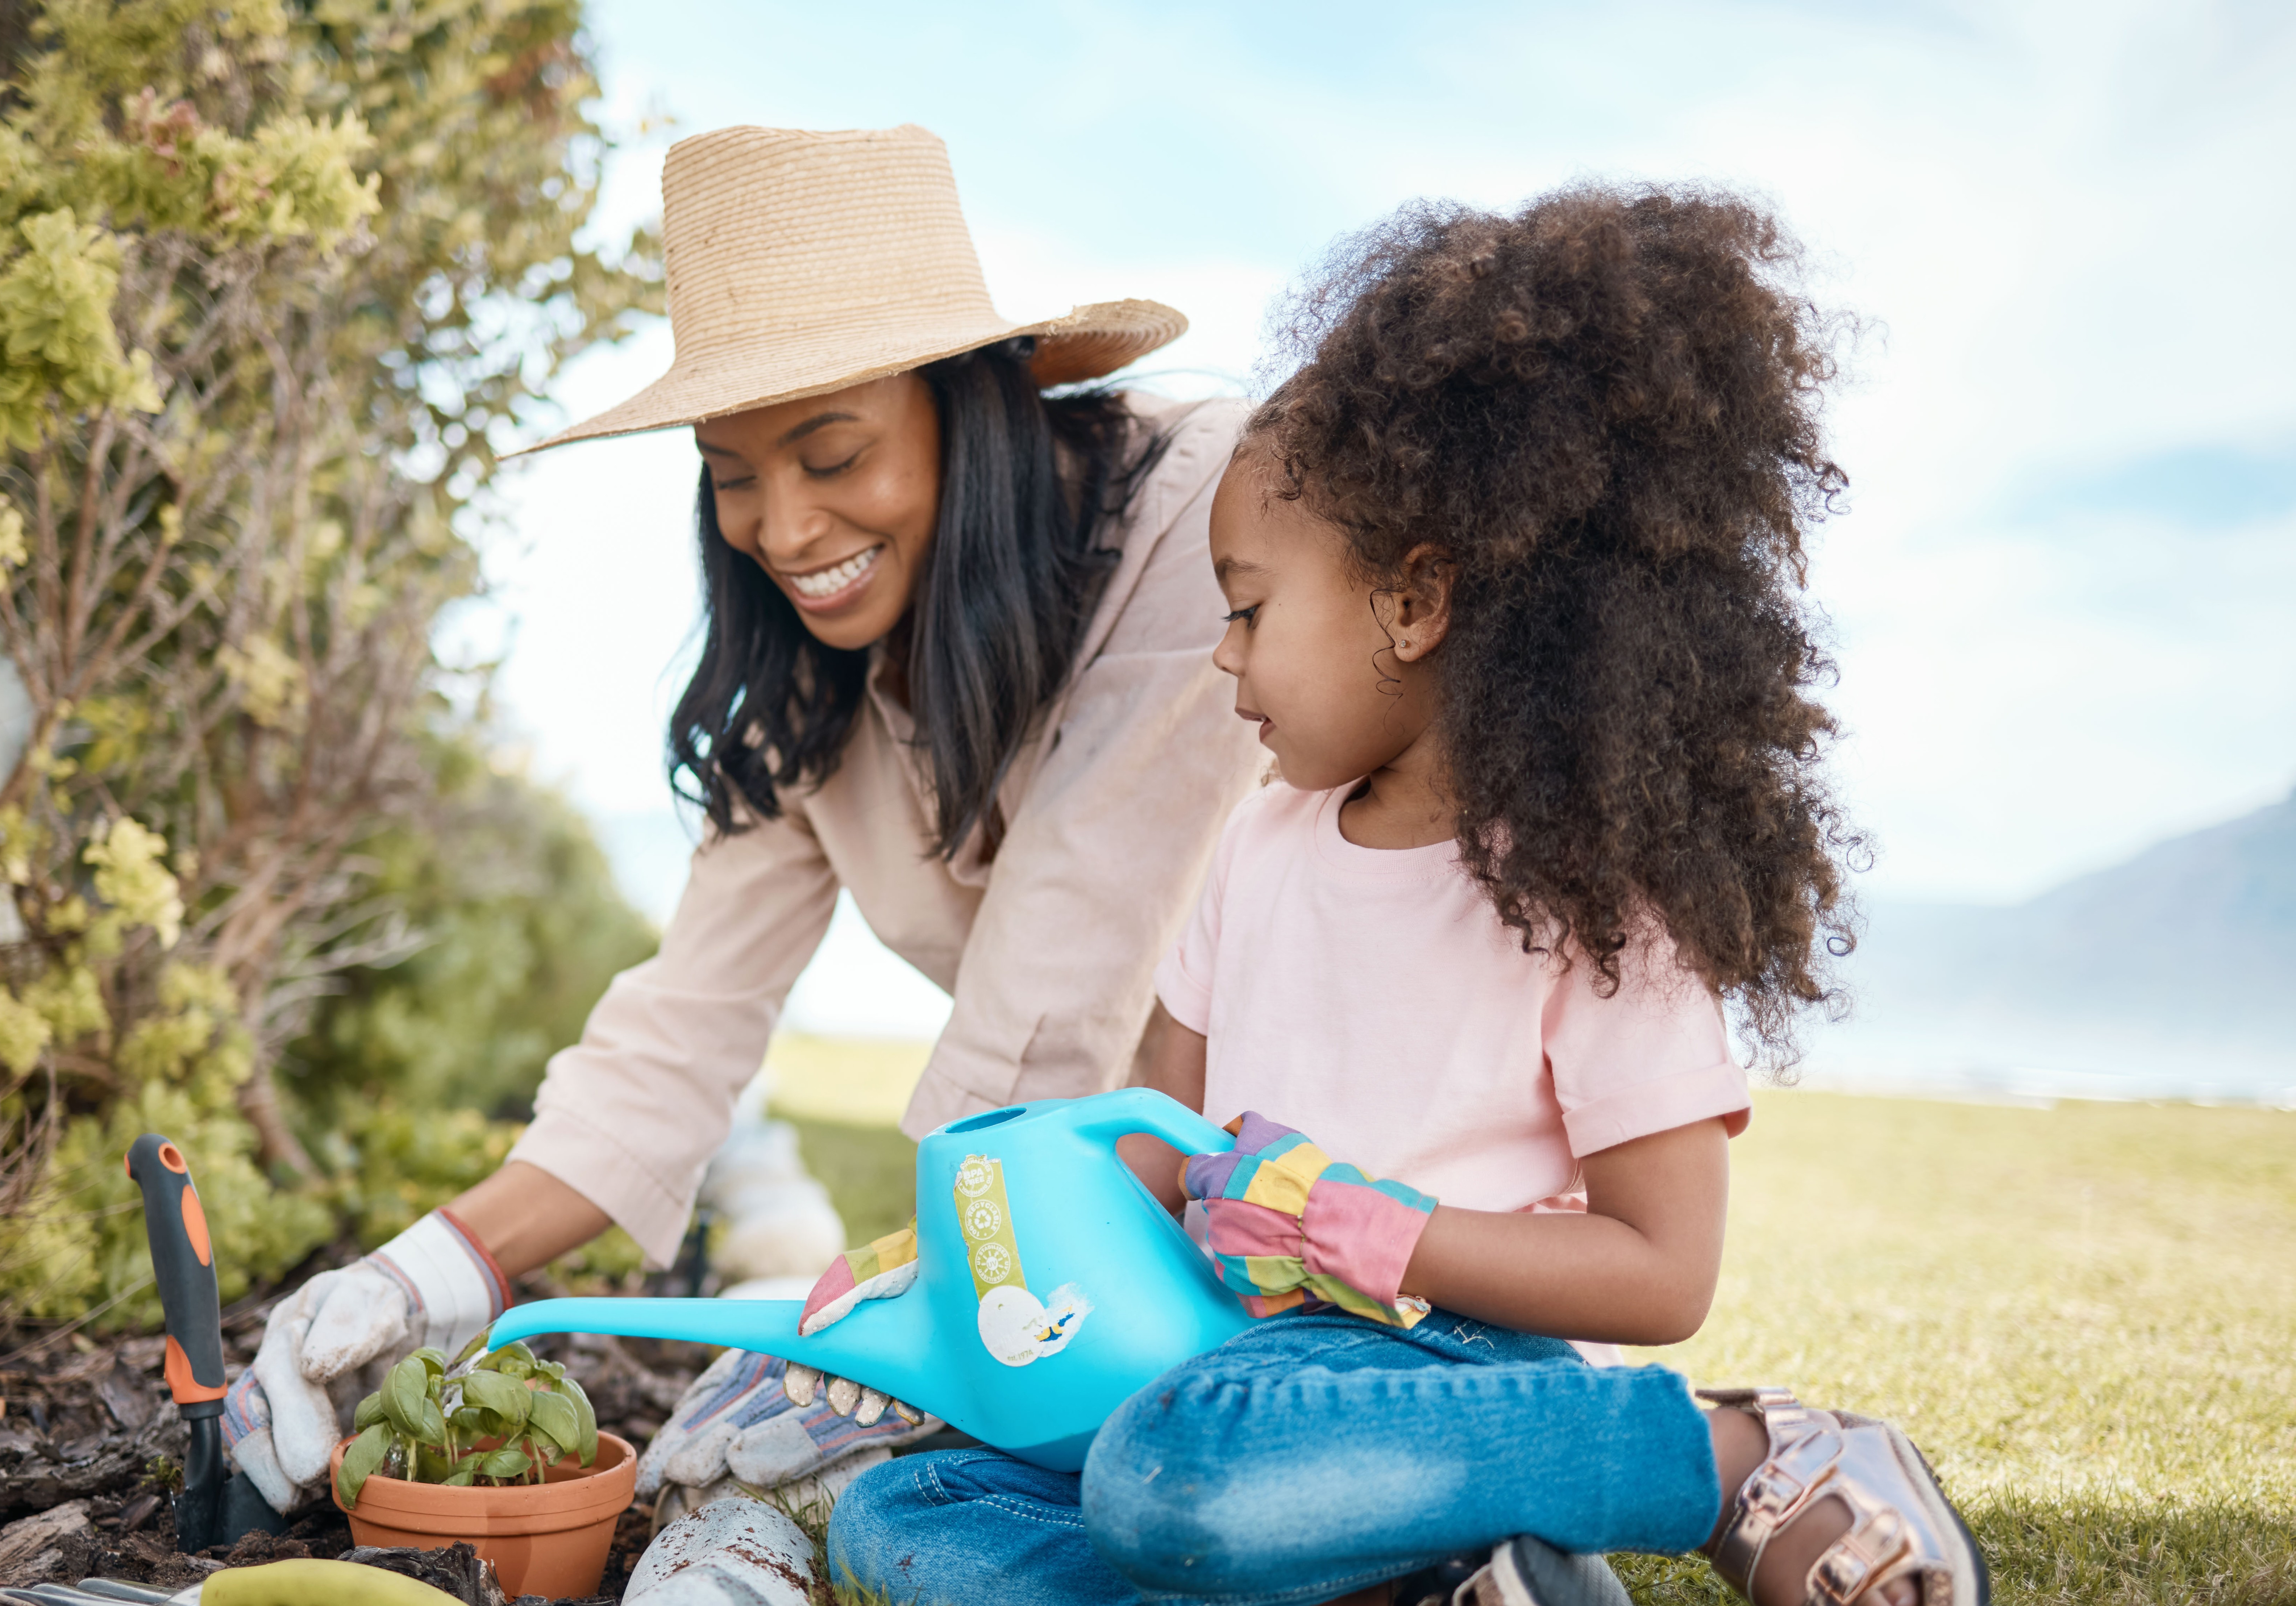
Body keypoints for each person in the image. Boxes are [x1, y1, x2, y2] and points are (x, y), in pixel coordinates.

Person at [824, 186, 1991, 1606]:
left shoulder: (1592, 895)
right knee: (901, 1509)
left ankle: (1733, 1454)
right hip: (1249, 1373)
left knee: (1168, 1473)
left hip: (1458, 1366)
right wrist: (939, 1274)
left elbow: (1664, 1273)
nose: (1223, 660)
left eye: (1248, 608)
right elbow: (1161, 1151)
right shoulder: (1255, 848)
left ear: (1413, 599)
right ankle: (1428, 1582)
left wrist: (1375, 1229)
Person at [219, 124, 1269, 1516]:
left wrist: (884, 1318)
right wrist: (422, 1273)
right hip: (1059, 1252)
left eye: (832, 453)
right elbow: (685, 1023)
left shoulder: (1191, 520)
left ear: (975, 410)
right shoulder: (810, 671)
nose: (780, 530)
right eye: (733, 473)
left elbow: (1057, 987)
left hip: (1303, 1201)